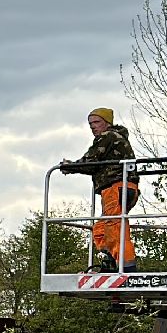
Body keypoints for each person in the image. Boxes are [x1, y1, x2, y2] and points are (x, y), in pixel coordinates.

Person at [61, 106, 138, 272]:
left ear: (107, 123)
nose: (93, 126)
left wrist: (70, 166)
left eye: (97, 122)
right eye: (90, 124)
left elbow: (91, 161)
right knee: (101, 229)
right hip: (123, 188)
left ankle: (127, 269)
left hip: (116, 187)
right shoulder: (117, 137)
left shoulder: (108, 136)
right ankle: (109, 261)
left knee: (115, 229)